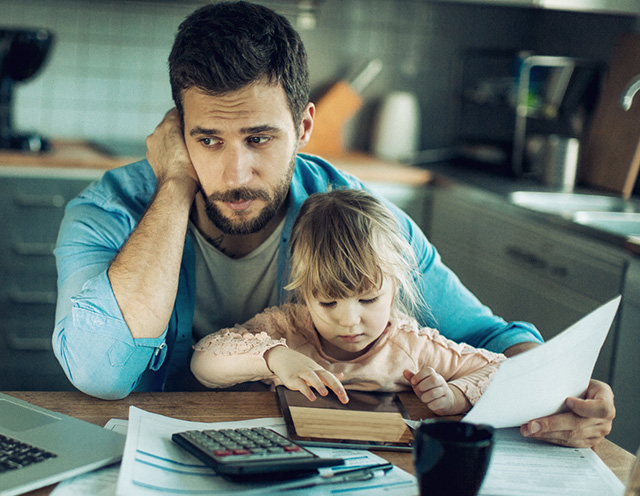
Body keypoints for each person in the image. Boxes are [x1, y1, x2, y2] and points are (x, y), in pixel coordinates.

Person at [52, 1, 615, 447]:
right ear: (177, 132)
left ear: (303, 126)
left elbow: (490, 339)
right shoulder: (110, 210)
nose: (234, 173)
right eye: (208, 139)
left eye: (259, 138)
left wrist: (559, 394)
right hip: (150, 457)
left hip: (309, 463)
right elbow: (101, 372)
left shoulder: (352, 216)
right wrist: (174, 186)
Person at [190, 189, 506, 416]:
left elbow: (502, 370)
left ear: (395, 287)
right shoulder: (287, 328)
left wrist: (455, 396)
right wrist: (275, 358)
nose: (349, 320)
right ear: (305, 292)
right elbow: (203, 363)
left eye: (368, 299)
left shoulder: (413, 346)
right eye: (328, 303)